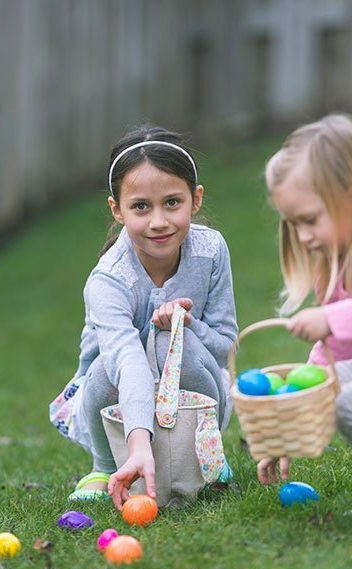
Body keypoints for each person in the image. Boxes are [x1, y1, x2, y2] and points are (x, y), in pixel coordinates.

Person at [50, 125, 238, 509]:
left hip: (194, 384)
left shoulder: (212, 252)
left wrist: (189, 325)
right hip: (116, 393)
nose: (158, 221)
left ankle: (207, 455)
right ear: (117, 209)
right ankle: (105, 465)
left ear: (195, 199)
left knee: (172, 342)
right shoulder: (109, 280)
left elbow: (224, 346)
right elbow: (127, 362)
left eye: (172, 202)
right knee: (106, 366)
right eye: (141, 206)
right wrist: (138, 441)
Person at [257, 114, 352, 485]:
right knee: (329, 386)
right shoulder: (332, 265)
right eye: (294, 223)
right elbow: (331, 357)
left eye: (310, 219)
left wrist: (332, 319)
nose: (304, 236)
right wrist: (290, 420)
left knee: (344, 399)